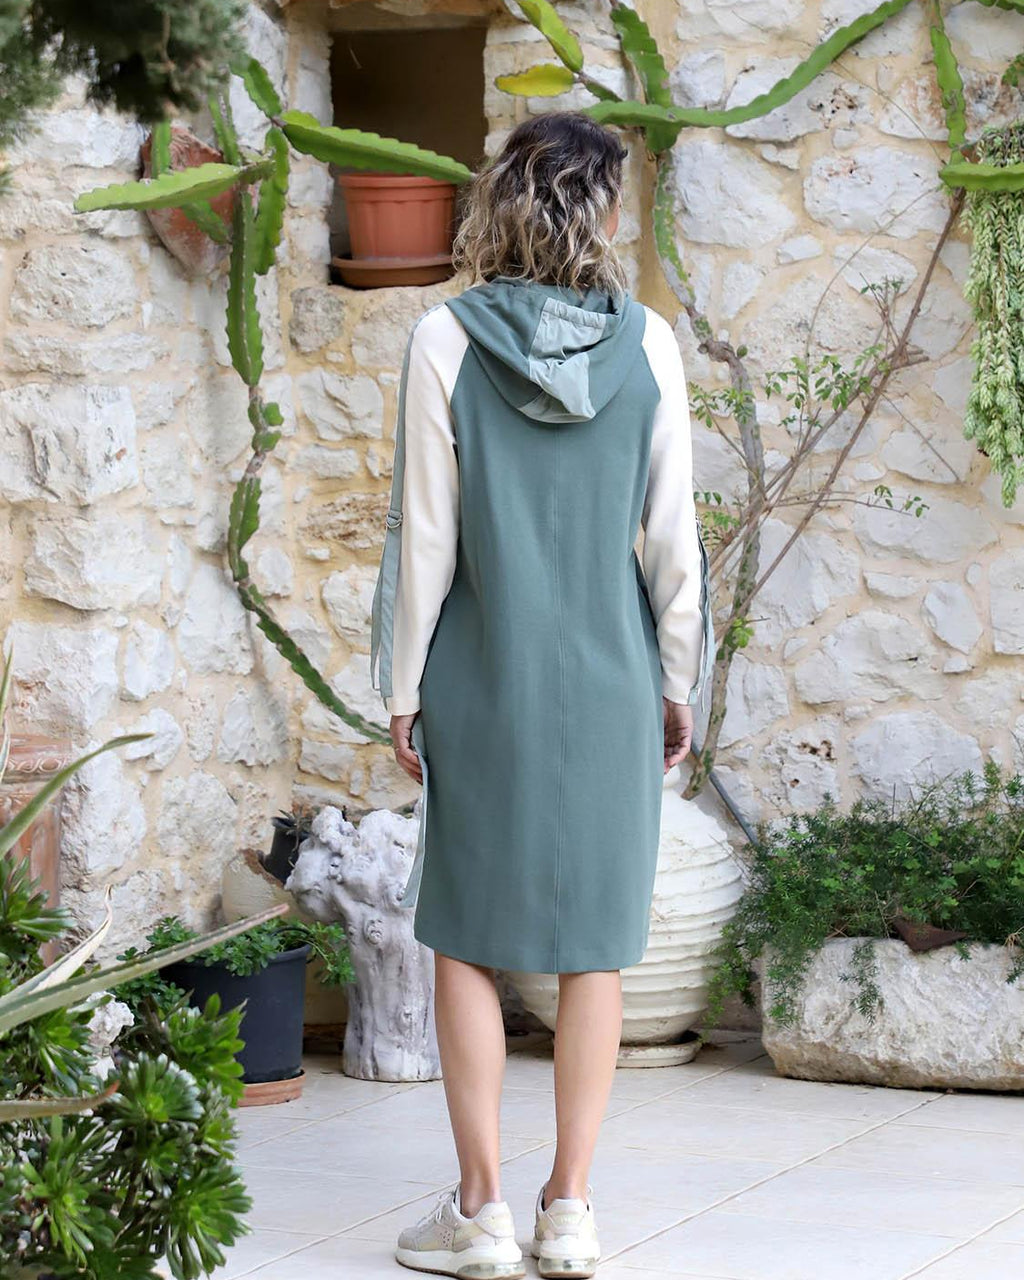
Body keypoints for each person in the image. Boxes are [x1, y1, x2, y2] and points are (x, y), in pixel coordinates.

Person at [369, 110, 713, 1280]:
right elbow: (673, 542)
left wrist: (402, 686)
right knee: (594, 944)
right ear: (602, 216)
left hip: (484, 675)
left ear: (500, 205)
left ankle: (479, 1210)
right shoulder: (650, 345)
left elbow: (424, 538)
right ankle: (569, 1206)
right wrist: (678, 681)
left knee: (463, 935)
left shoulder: (442, 340)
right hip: (613, 676)